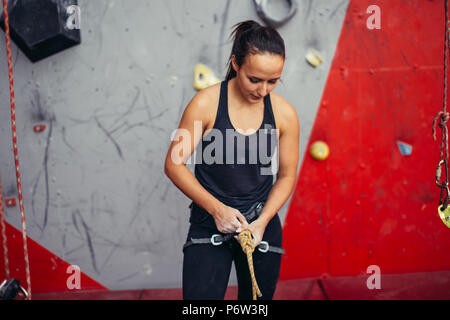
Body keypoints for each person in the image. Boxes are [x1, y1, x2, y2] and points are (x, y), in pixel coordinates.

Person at [164, 20, 300, 300]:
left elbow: (286, 176)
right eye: (254, 79)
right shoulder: (204, 103)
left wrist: (262, 221)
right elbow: (173, 164)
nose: (263, 90)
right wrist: (217, 210)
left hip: (260, 222)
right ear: (236, 63)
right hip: (209, 219)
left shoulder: (285, 114)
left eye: (273, 81)